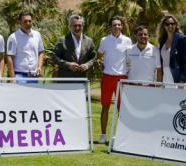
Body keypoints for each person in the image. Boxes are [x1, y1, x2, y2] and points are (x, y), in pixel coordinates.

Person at [97, 16, 132, 144]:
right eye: (114, 25)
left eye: (119, 25)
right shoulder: (104, 40)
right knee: (105, 106)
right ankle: (102, 135)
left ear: (121, 26)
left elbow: (129, 59)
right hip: (107, 77)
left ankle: (119, 135)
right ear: (110, 27)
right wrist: (102, 64)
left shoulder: (127, 40)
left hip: (122, 78)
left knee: (121, 108)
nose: (117, 27)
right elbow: (99, 56)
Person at [52, 14, 96, 80]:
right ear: (70, 27)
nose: (77, 28)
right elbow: (54, 56)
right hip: (65, 80)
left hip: (82, 79)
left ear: (83, 26)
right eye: (75, 26)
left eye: (79, 25)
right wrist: (67, 65)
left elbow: (94, 57)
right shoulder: (62, 40)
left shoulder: (89, 41)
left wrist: (87, 65)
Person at [7, 11, 44, 83]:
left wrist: (39, 67)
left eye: (30, 21)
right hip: (20, 75)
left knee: (34, 94)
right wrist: (12, 78)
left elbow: (41, 52)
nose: (28, 23)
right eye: (25, 21)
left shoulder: (37, 35)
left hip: (34, 75)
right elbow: (9, 58)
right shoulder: (13, 37)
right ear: (20, 22)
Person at [157, 15, 186, 83]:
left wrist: (182, 80)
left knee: (176, 94)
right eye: (167, 24)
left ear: (176, 25)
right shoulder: (162, 40)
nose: (170, 26)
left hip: (176, 76)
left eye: (172, 24)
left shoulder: (181, 39)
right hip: (165, 76)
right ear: (164, 26)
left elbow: (185, 61)